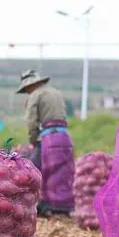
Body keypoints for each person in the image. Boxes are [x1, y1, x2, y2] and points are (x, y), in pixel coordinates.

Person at [16, 69, 75, 217]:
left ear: (30, 86)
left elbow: (31, 122)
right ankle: (64, 206)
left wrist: (33, 141)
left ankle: (45, 205)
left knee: (38, 170)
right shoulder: (55, 92)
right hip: (64, 136)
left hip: (49, 137)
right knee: (63, 171)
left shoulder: (35, 95)